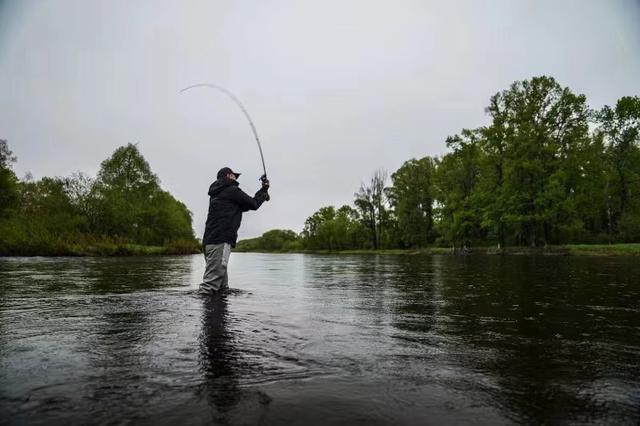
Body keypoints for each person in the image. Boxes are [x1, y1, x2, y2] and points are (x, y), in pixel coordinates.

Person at [200, 167, 270, 294]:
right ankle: (207, 314)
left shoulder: (217, 194)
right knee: (209, 287)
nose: (236, 178)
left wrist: (263, 193)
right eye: (234, 175)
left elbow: (246, 205)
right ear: (229, 176)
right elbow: (253, 204)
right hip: (220, 241)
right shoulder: (232, 190)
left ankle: (219, 313)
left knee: (222, 288)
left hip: (209, 242)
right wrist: (264, 190)